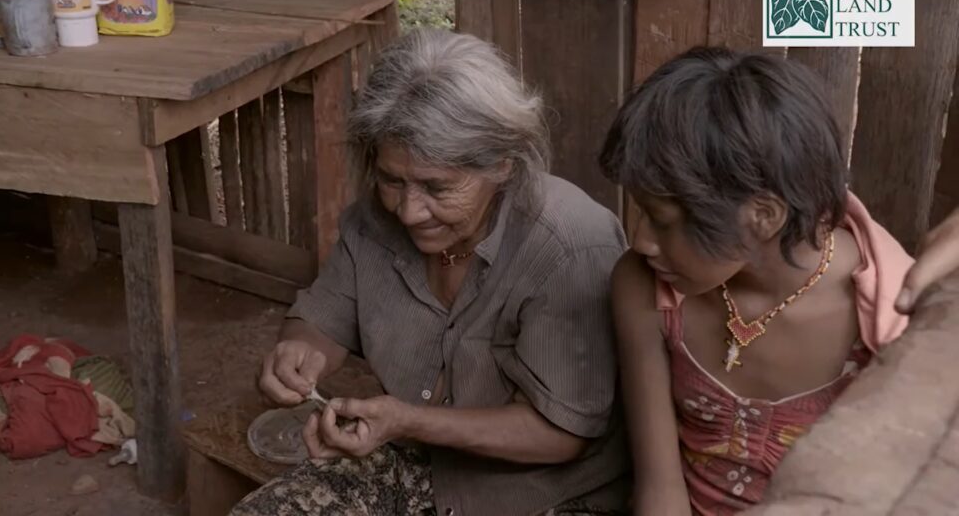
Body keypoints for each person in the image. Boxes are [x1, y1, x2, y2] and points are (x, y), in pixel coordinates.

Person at [232, 29, 631, 516]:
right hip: (414, 461)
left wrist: (408, 421)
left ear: (502, 164)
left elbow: (562, 434)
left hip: (547, 492)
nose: (408, 211)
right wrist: (300, 352)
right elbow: (323, 318)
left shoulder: (569, 247)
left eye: (437, 188)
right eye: (391, 180)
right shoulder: (372, 224)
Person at [598, 47, 914, 515]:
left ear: (763, 215)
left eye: (661, 221)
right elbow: (660, 490)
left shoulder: (895, 319)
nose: (641, 240)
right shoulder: (645, 288)